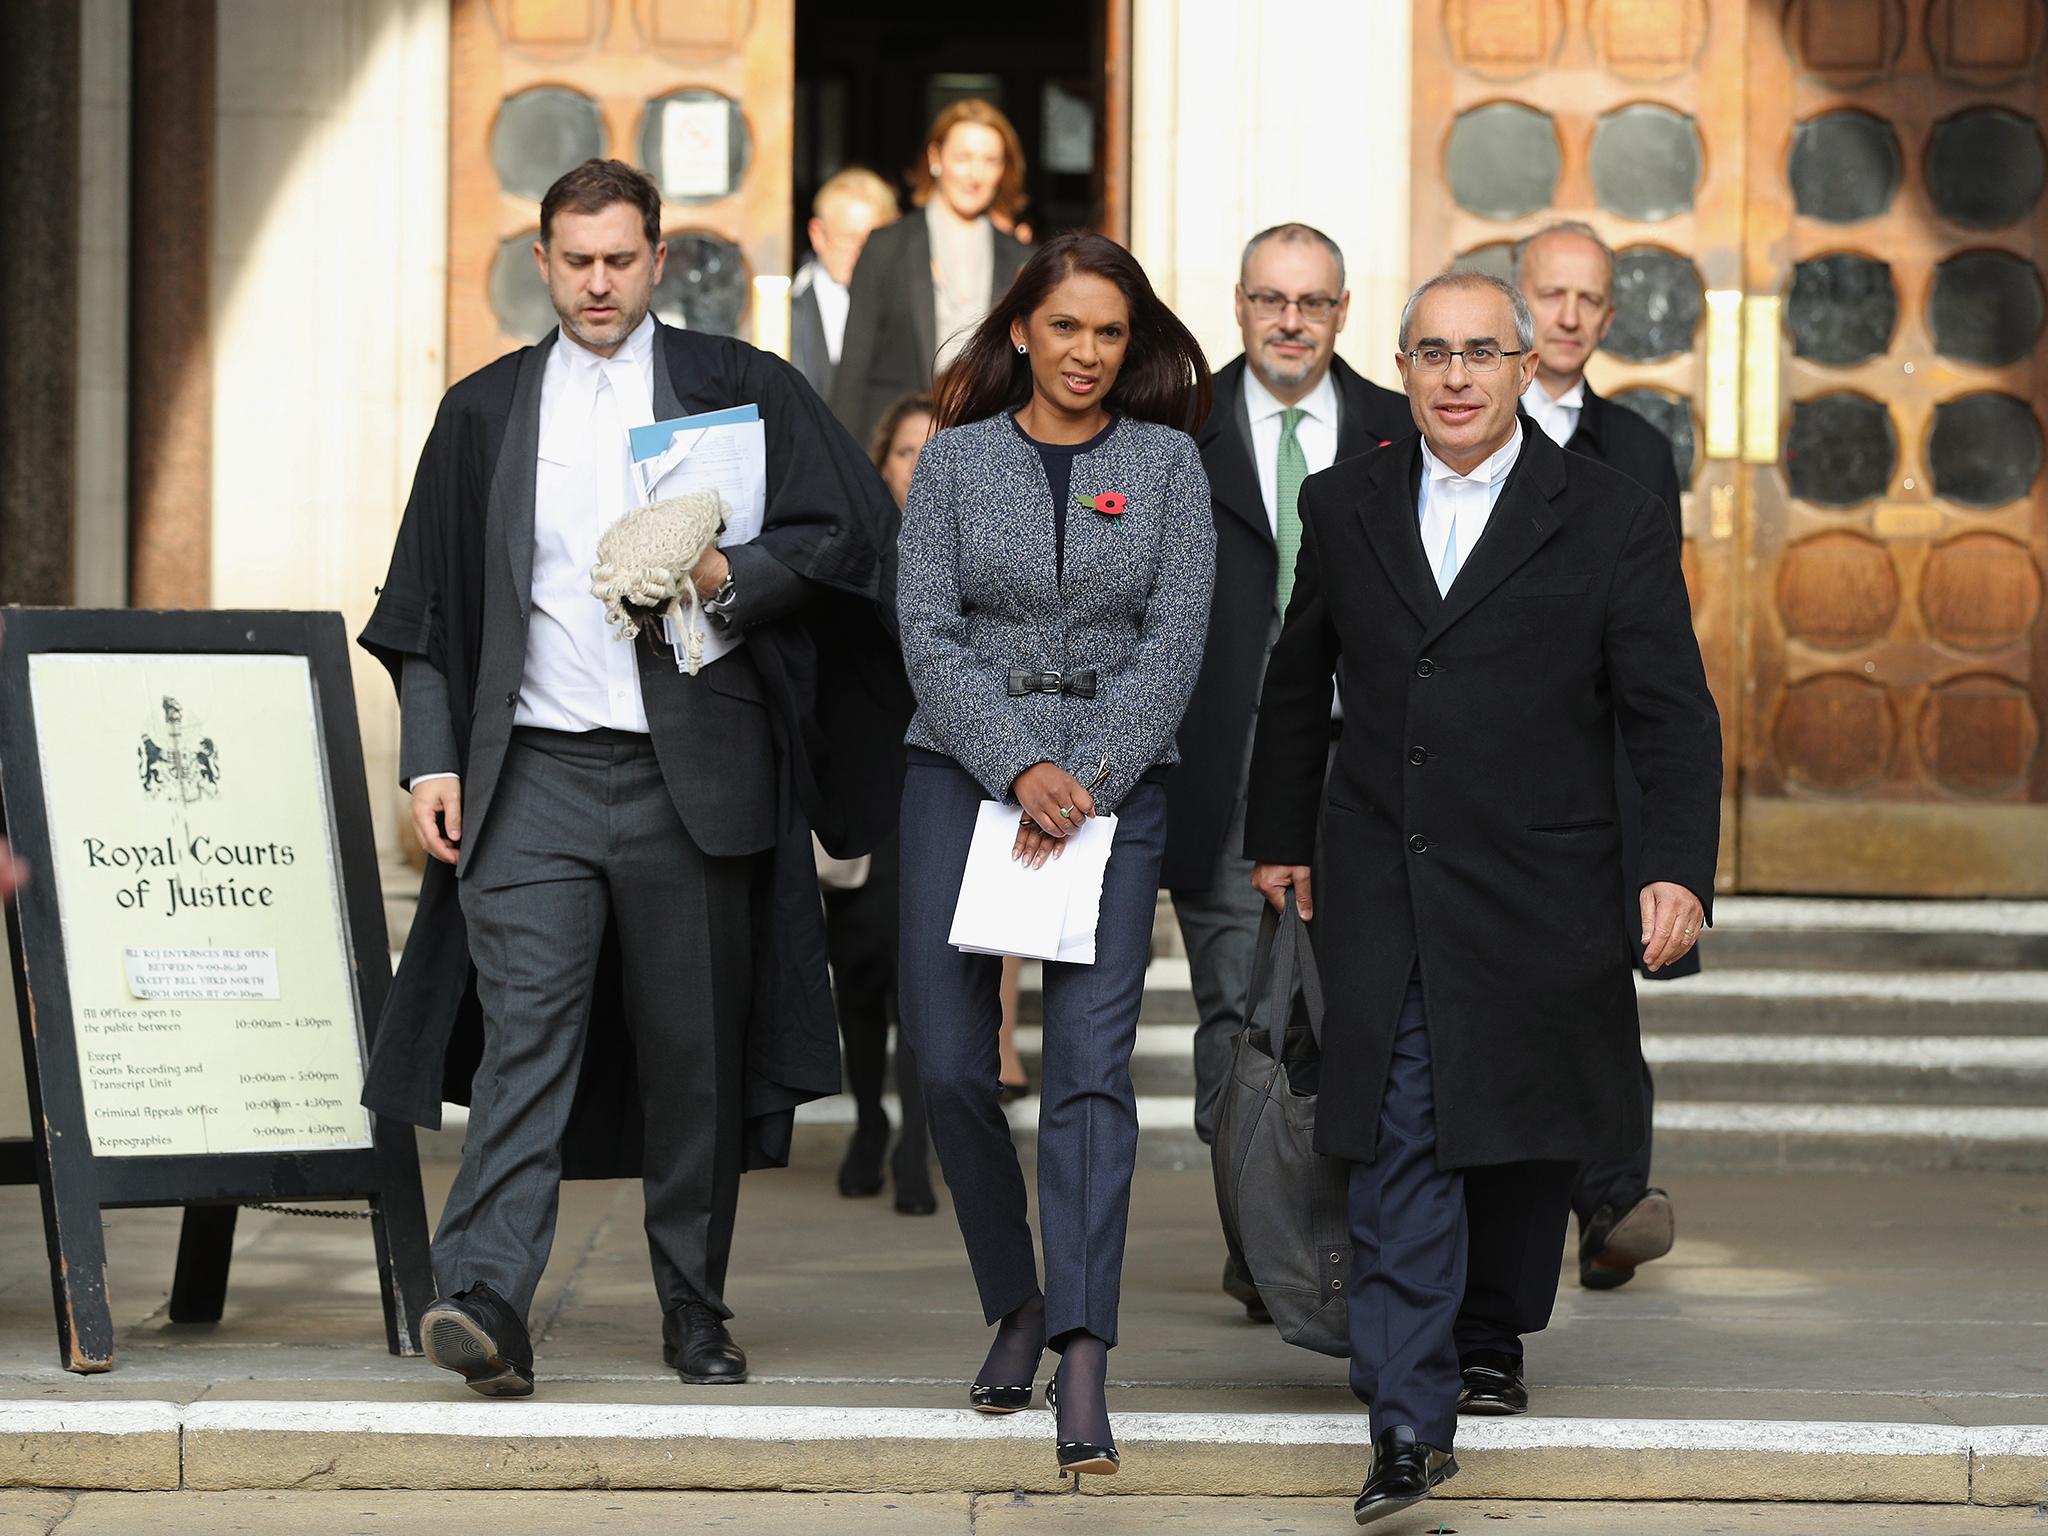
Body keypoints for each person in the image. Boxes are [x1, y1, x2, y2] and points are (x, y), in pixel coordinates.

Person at [358, 158, 908, 1399]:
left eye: (621, 258)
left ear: (659, 260)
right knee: (522, 1044)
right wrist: (432, 757)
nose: (597, 281)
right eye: (575, 259)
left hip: (695, 778)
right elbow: (426, 608)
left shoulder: (742, 389)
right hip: (533, 774)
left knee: (692, 1058)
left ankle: (694, 1308)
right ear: (540, 262)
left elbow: (851, 532)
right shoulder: (484, 413)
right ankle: (487, 1293)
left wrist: (727, 575)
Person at [1244, 270, 1720, 1525]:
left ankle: (1488, 1330)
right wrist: (1279, 833)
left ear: (1521, 369)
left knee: (1517, 1136)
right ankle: (1405, 1419)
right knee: (1399, 1133)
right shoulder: (1340, 502)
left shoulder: (1607, 512)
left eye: (1481, 353)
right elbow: (1297, 680)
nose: (1456, 376)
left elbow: (1667, 708)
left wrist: (1671, 866)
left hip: (1544, 882)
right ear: (1398, 367)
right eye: (1432, 352)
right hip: (1385, 877)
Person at [894, 231, 1213, 1480]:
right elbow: (924, 627)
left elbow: (1174, 642)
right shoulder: (957, 460)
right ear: (1021, 328)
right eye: (1066, 326)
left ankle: (1078, 1346)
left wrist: (1085, 777)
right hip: (959, 771)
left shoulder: (1169, 467)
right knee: (945, 1061)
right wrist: (1013, 761)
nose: (1087, 352)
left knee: (1087, 1071)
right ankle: (1012, 1297)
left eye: (1111, 332)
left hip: (1115, 787)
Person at [1160, 222, 1413, 1322]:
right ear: (1238, 304)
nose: (1290, 321)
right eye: (1270, 299)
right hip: (1218, 768)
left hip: (1367, 776)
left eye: (1311, 303)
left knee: (1354, 1005)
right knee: (1236, 1010)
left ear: (1344, 312)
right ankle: (1253, 1232)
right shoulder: (1177, 430)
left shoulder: (1402, 430)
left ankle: (1337, 1227)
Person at [1515, 219, 1695, 1294]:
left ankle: (1614, 1201)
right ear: (1516, 302)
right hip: (1490, 759)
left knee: (1597, 990)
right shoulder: (1451, 428)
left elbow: (1653, 638)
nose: (1569, 315)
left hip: (1598, 765)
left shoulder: (1635, 451)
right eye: (1551, 294)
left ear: (1609, 317)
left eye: (1589, 299)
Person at [828, 391, 939, 1216]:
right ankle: (868, 1121)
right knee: (860, 976)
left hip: (940, 791)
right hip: (861, 792)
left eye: (936, 450)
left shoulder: (977, 545)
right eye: (906, 452)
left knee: (924, 980)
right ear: (882, 464)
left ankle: (915, 1148)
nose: (921, 465)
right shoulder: (852, 549)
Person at [831, 99, 1031, 447]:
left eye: (989, 161)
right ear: (936, 158)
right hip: (897, 451)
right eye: (963, 157)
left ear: (1003, 171)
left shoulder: (1021, 258)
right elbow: (853, 370)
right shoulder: (885, 248)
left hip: (987, 450)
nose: (975, 174)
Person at [790, 168, 899, 403]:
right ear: (818, 234)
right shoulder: (787, 309)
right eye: (850, 239)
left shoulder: (904, 305)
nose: (864, 255)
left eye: (873, 242)